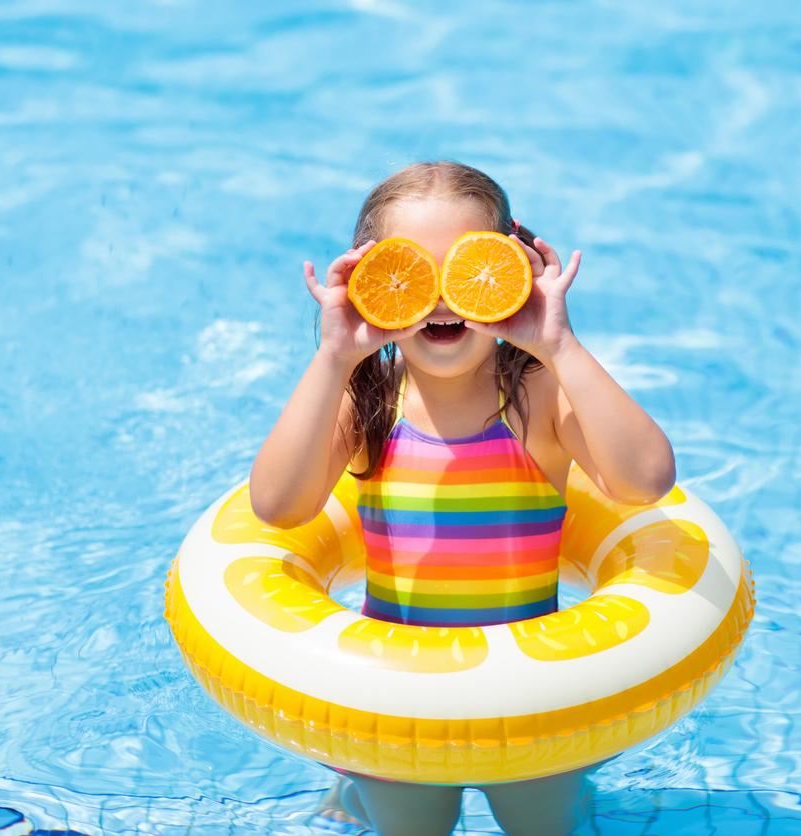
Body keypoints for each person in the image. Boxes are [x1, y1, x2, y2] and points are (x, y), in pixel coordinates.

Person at [249, 160, 676, 835]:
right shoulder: (368, 402)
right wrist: (333, 357)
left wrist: (559, 344)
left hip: (533, 702)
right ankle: (351, 796)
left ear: (515, 269)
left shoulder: (537, 398)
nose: (443, 297)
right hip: (398, 707)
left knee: (549, 826)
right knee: (411, 826)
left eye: (468, 269)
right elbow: (277, 507)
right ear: (369, 281)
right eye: (410, 273)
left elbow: (645, 481)